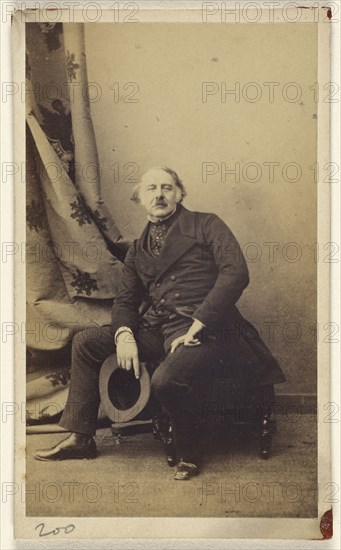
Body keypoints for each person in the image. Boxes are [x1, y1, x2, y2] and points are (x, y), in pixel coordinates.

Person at [34, 167, 286, 480]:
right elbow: (125, 301)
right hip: (164, 329)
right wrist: (124, 334)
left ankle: (190, 452)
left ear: (180, 194)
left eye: (167, 187)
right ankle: (80, 438)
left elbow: (236, 273)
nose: (159, 195)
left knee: (165, 380)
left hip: (212, 329)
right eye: (151, 188)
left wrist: (200, 322)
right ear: (139, 198)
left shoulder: (206, 224)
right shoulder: (139, 249)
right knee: (87, 342)